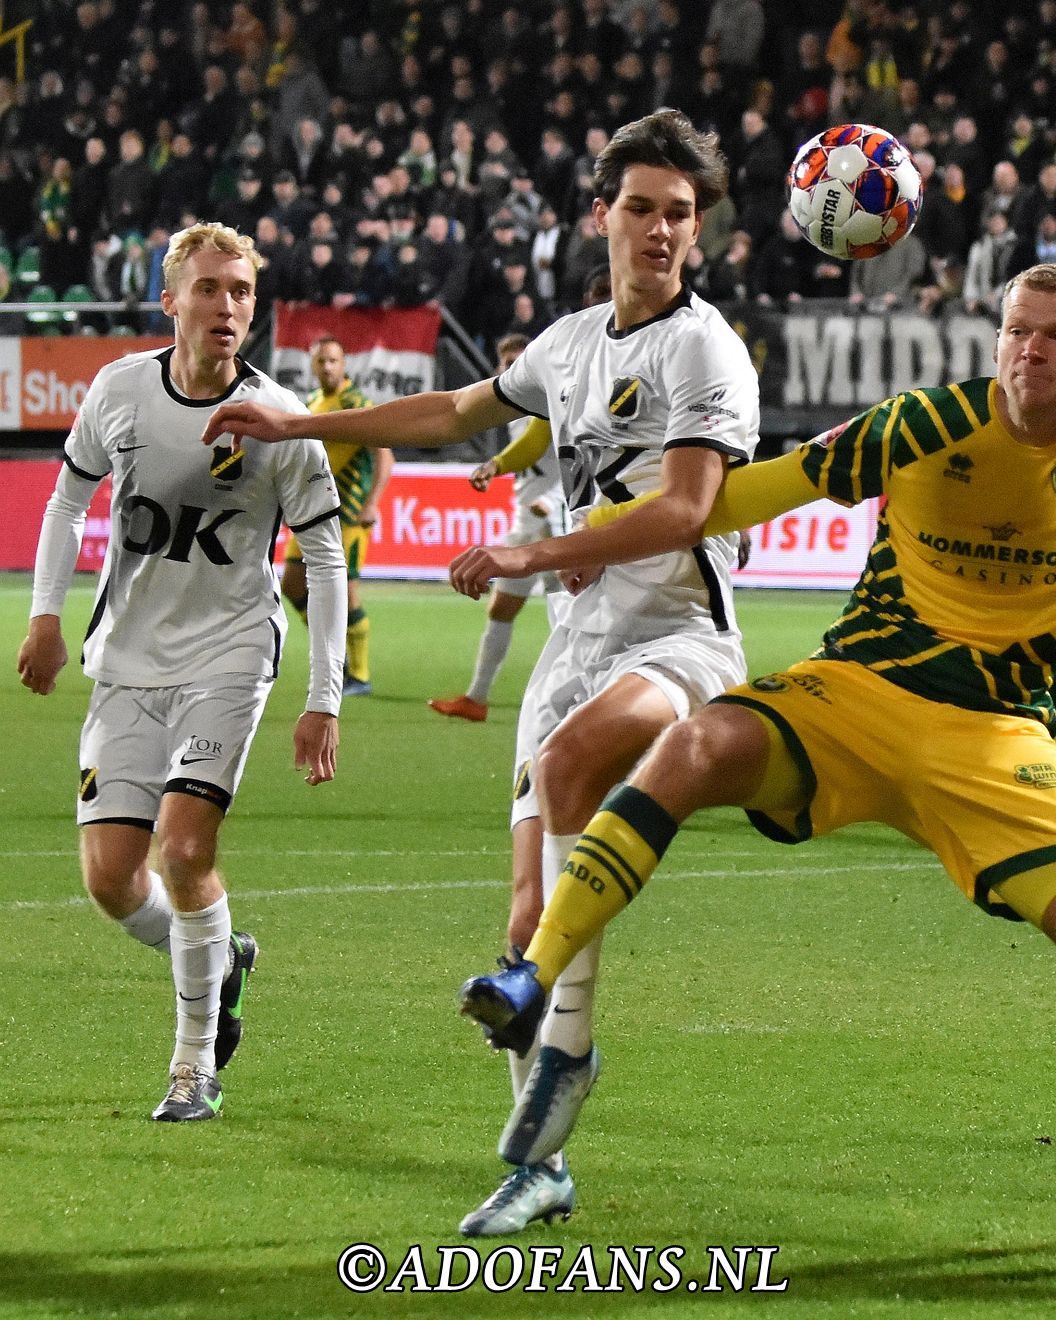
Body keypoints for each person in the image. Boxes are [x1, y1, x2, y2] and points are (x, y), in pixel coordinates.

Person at [451, 262, 1056, 1261]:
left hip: (996, 741)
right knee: (694, 743)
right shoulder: (925, 423)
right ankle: (532, 977)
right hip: (856, 696)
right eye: (1019, 331)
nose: (1034, 349)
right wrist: (586, 539)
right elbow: (747, 494)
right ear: (997, 344)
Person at [200, 109, 761, 1234]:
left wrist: (533, 550)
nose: (659, 230)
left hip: (682, 641)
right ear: (603, 216)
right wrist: (296, 422)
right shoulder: (566, 344)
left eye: (681, 215)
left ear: (699, 234)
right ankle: (541, 1164)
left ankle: (565, 1054)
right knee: (524, 916)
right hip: (576, 648)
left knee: (573, 761)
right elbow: (456, 411)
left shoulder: (706, 348)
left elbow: (689, 508)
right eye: (642, 208)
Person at [17, 221, 345, 1123]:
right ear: (172, 302)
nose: (227, 307)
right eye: (209, 289)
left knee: (187, 848)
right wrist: (45, 616)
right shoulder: (121, 390)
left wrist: (323, 698)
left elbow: (325, 554)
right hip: (126, 658)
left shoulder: (281, 420)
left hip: (230, 655)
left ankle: (193, 1070)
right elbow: (66, 501)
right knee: (111, 878)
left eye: (240, 292)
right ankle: (219, 954)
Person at [428, 331, 565, 724]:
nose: (516, 370)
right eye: (508, 364)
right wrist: (495, 466)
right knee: (507, 608)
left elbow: (577, 460)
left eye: (522, 362)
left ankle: (575, 696)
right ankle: (477, 698)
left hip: (553, 523)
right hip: (530, 521)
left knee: (568, 612)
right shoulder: (517, 413)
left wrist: (552, 503)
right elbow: (532, 454)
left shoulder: (549, 405)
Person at [281, 335, 391, 696]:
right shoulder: (311, 403)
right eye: (321, 361)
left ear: (343, 365)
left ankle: (359, 675)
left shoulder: (356, 403)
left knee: (346, 590)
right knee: (292, 586)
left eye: (333, 360)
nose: (327, 367)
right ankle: (337, 654)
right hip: (310, 513)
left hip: (347, 515)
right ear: (313, 366)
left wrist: (372, 501)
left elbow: (383, 454)